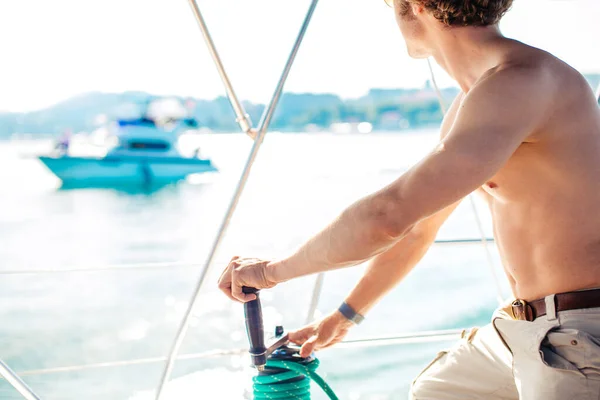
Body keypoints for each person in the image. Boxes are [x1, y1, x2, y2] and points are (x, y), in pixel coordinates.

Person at [218, 0, 600, 398]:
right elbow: (418, 230)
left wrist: (269, 273)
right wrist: (345, 316)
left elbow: (387, 216)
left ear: (415, 6)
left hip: (578, 335)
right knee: (436, 390)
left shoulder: (522, 82)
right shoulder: (481, 100)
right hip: (523, 327)